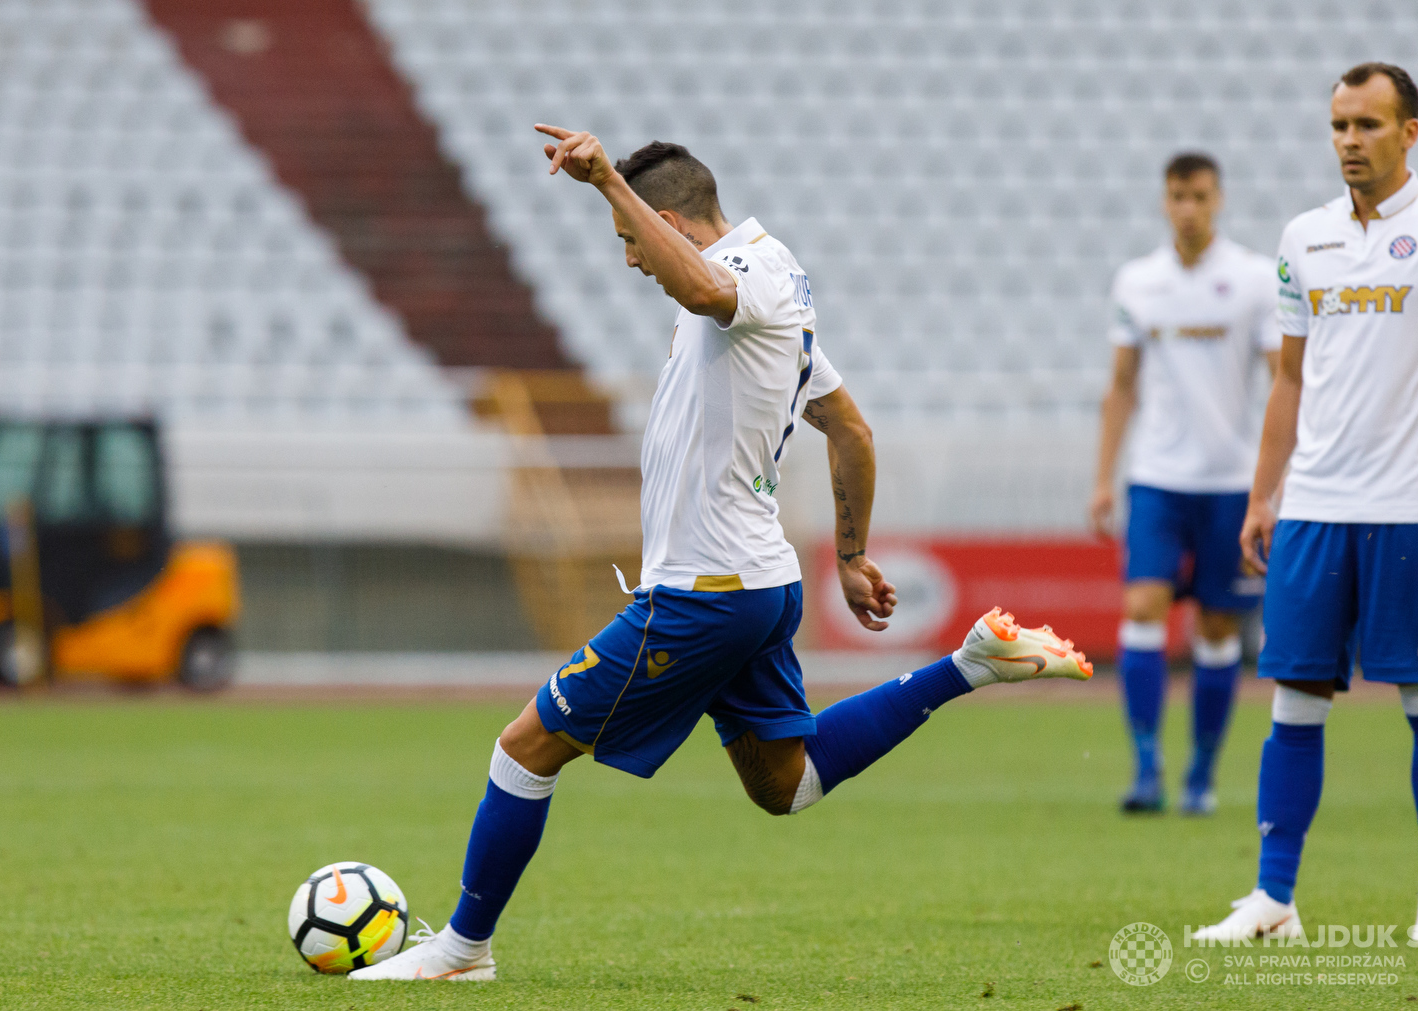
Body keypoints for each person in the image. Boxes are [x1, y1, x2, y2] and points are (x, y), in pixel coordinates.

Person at [353, 130, 1093, 982]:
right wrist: (850, 555)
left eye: (633, 240)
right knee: (789, 782)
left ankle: (461, 950)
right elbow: (849, 426)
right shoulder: (772, 292)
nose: (630, 259)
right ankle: (968, 665)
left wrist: (605, 185)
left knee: (525, 747)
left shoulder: (752, 279)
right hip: (755, 585)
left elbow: (705, 285)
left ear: (668, 220)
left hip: (705, 592)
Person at [1194, 63, 1418, 944]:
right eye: (1339, 125)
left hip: (1415, 512)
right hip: (1313, 512)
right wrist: (1266, 496)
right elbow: (1290, 379)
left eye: (1367, 126)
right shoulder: (1304, 237)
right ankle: (1274, 899)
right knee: (1294, 700)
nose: (1349, 142)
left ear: (1410, 132)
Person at [1090, 153, 1280, 815]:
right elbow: (1120, 384)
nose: (1189, 207)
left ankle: (1201, 771)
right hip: (1158, 478)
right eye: (1177, 196)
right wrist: (1103, 479)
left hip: (1232, 480)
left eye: (1199, 195)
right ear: (1164, 201)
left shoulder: (1254, 279)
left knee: (1218, 624)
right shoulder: (1139, 280)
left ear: (1218, 198)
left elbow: (1285, 378)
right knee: (1143, 606)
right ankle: (1147, 765)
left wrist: (1279, 479)